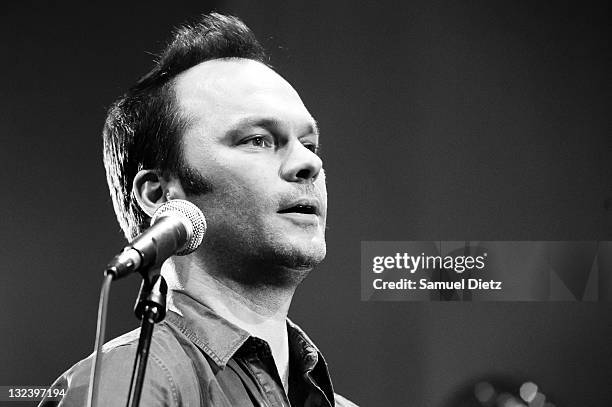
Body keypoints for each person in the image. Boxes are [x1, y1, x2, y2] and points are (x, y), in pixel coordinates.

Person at [40, 12, 357, 407]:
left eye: (309, 145)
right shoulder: (128, 386)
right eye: (257, 139)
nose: (308, 164)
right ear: (159, 195)